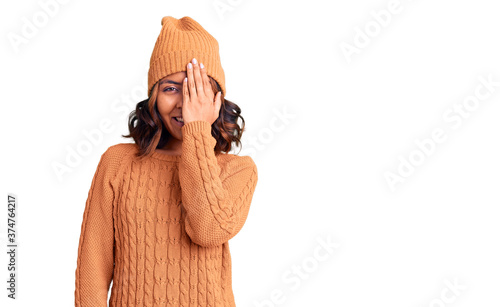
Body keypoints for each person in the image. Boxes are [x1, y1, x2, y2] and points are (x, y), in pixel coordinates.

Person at [74, 16, 258, 307]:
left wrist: (197, 131)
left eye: (197, 89)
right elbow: (93, 268)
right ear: (152, 97)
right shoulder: (117, 163)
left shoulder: (237, 169)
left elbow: (208, 229)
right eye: (171, 88)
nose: (185, 103)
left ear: (217, 100)